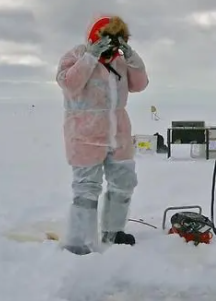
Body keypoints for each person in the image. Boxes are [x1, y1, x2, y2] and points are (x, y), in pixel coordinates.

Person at [55, 15, 149, 255]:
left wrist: (130, 55)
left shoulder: (119, 61)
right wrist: (91, 56)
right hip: (85, 134)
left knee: (124, 183)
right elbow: (69, 84)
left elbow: (140, 84)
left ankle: (113, 231)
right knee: (86, 188)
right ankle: (79, 240)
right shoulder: (75, 56)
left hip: (118, 133)